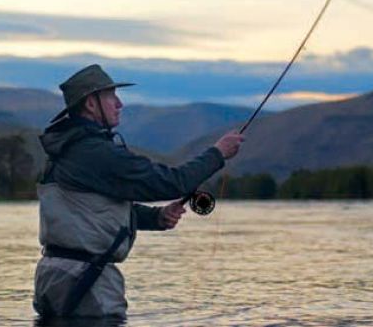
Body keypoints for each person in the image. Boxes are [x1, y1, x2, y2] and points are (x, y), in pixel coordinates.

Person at [32, 64, 243, 319]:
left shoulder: (65, 149)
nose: (119, 104)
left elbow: (92, 208)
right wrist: (217, 153)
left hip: (53, 276)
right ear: (91, 104)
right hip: (87, 283)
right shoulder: (96, 153)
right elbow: (170, 182)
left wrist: (156, 217)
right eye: (111, 97)